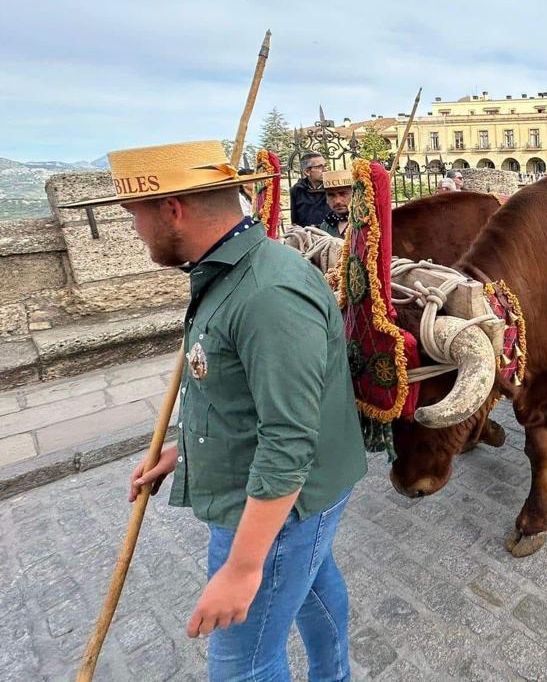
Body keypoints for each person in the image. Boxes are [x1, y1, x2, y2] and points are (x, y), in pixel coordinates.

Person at [62, 140, 367, 679]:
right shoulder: (229, 271)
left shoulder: (267, 292)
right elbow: (242, 394)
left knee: (241, 666)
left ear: (171, 210)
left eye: (135, 216)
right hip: (291, 493)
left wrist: (243, 567)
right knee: (315, 591)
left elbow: (289, 440)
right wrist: (186, 449)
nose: (134, 231)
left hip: (284, 507)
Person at [289, 152, 329, 228]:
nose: (325, 169)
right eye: (320, 167)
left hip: (331, 235)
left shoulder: (332, 187)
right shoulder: (297, 190)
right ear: (307, 172)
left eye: (325, 166)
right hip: (307, 236)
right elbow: (295, 221)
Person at [316, 169, 352, 238]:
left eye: (343, 194)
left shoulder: (365, 224)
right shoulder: (325, 227)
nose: (337, 201)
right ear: (326, 199)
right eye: (331, 195)